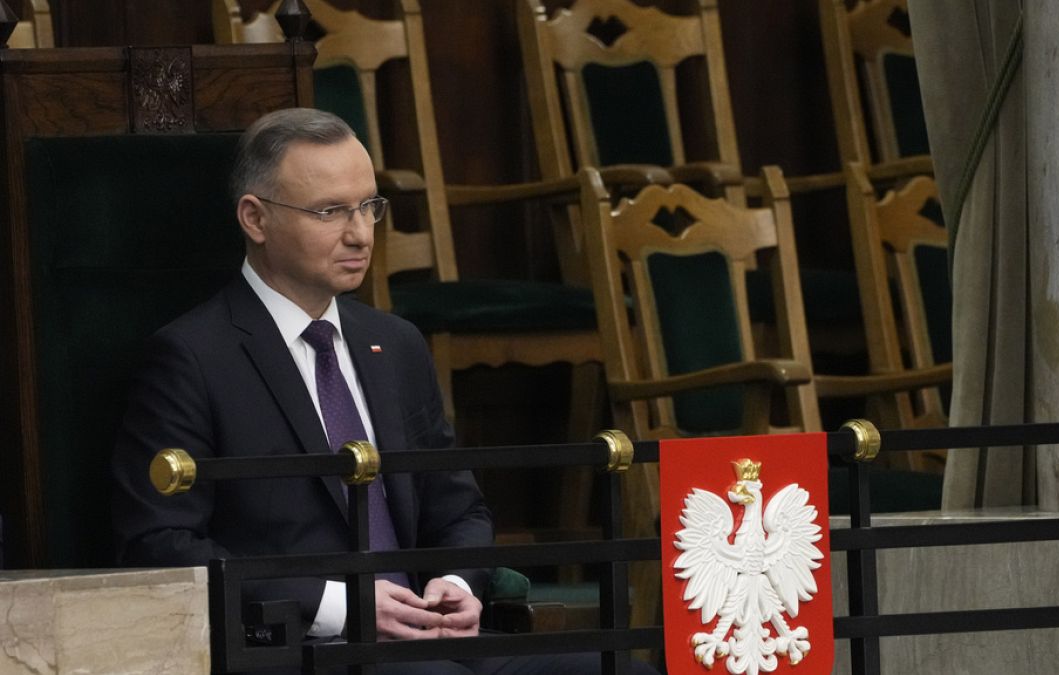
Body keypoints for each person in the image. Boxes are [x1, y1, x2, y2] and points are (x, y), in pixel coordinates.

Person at [111, 108, 655, 675]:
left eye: (369, 207)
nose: (359, 233)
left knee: (623, 670)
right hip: (305, 648)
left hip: (435, 634)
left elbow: (459, 508)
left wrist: (454, 582)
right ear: (255, 218)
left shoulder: (393, 343)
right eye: (330, 211)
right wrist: (338, 604)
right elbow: (159, 542)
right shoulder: (192, 357)